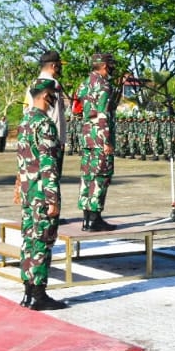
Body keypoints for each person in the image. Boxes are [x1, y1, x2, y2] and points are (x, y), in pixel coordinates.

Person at [17, 78, 66, 311]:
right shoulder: (44, 124)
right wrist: (52, 199)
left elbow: (22, 160)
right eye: (53, 95)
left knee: (28, 240)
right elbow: (48, 164)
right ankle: (38, 294)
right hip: (41, 194)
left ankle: (28, 291)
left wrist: (19, 187)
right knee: (42, 242)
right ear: (46, 96)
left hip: (28, 192)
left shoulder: (26, 120)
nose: (55, 99)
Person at [75, 53, 117, 231]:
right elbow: (103, 114)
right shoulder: (104, 85)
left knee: (87, 176)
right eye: (111, 65)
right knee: (101, 177)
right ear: (105, 66)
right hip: (100, 137)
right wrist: (106, 140)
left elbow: (75, 109)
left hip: (87, 136)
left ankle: (86, 219)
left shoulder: (84, 84)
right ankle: (95, 219)